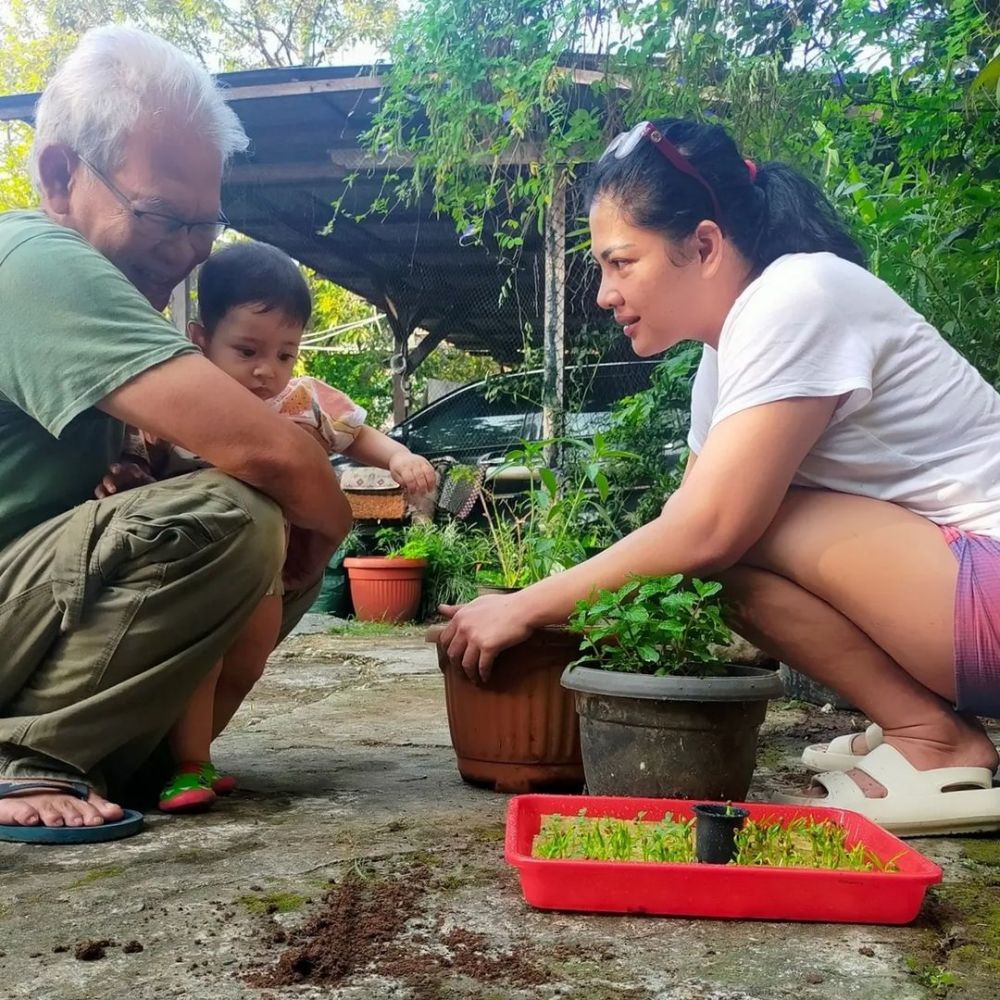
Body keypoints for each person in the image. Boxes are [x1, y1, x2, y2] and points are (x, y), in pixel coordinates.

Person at [438, 117, 1000, 835]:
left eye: (621, 262)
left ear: (703, 244)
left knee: (730, 528)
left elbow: (704, 529)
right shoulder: (726, 352)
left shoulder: (799, 295)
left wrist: (527, 606)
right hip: (960, 597)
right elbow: (685, 534)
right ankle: (922, 727)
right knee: (712, 555)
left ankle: (934, 743)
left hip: (985, 586)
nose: (605, 293)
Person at [0, 27, 353, 842]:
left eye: (205, 224)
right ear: (60, 175)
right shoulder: (35, 260)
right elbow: (266, 453)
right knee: (239, 512)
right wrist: (323, 525)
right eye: (163, 215)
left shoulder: (107, 297)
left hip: (24, 601)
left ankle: (135, 750)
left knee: (259, 530)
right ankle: (27, 752)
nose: (189, 251)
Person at [97, 241, 437, 812]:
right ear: (201, 341)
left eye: (284, 354)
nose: (266, 371)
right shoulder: (180, 403)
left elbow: (357, 435)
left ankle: (187, 757)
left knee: (247, 663)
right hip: (194, 572)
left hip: (268, 576)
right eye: (247, 350)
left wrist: (399, 459)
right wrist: (122, 474)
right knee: (198, 663)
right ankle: (185, 766)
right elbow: (139, 454)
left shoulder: (299, 400)